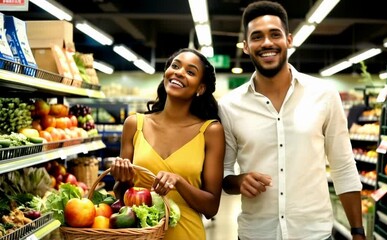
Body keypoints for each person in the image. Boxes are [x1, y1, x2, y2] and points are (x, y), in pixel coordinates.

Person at [218, 1, 366, 240]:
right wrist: (238, 180)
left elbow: (343, 167)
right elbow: (223, 173)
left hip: (315, 235)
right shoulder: (229, 105)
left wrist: (358, 232)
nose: (267, 43)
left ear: (288, 39)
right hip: (256, 234)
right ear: (246, 46)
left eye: (274, 34)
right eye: (257, 37)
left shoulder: (324, 95)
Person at [110, 48, 225, 240]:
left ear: (200, 88)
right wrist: (122, 178)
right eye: (175, 66)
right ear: (165, 74)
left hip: (186, 233)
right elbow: (121, 196)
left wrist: (179, 182)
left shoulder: (210, 131)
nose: (179, 72)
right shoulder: (134, 125)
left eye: (190, 72)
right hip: (140, 235)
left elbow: (211, 207)